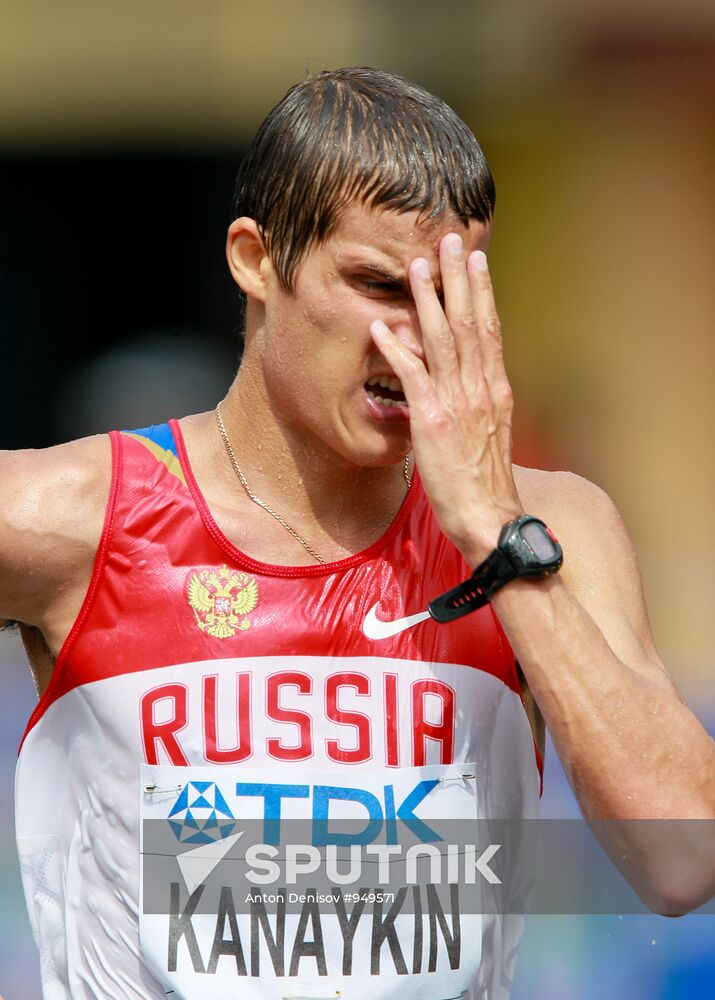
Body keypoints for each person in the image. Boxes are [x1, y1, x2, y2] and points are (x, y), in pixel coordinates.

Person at [1, 66, 713, 1000]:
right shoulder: (73, 516)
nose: (413, 339)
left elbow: (682, 862)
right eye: (378, 285)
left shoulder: (545, 530)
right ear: (255, 259)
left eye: (446, 296)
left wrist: (493, 535)